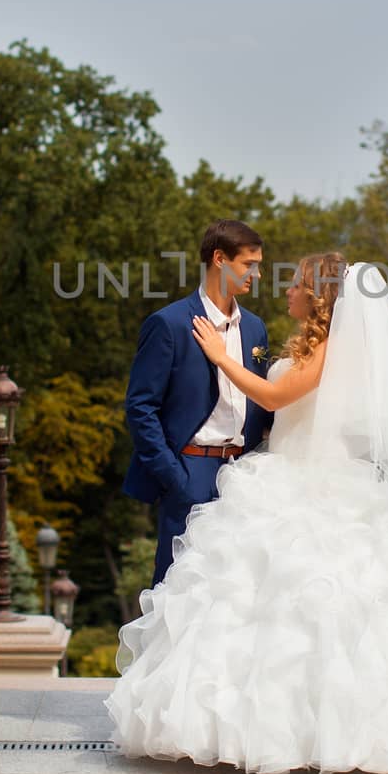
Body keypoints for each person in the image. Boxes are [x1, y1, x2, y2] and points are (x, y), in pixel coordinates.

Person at [105, 251, 388, 774]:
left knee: (314, 613)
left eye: (297, 285)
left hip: (314, 484)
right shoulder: (315, 344)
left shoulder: (332, 347)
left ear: (319, 297)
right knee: (257, 609)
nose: (287, 292)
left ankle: (319, 733)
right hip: (282, 471)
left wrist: (219, 357)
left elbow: (276, 395)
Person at [123, 220, 273, 589]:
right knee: (178, 593)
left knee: (240, 594)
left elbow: (262, 401)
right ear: (219, 259)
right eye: (248, 264)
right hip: (191, 471)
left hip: (245, 478)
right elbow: (140, 408)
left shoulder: (255, 329)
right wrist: (176, 478)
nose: (257, 273)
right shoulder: (169, 324)